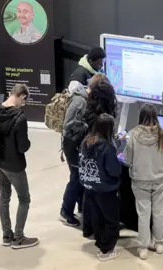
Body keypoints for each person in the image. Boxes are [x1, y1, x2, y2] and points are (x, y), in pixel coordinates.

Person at [123, 104, 163, 259]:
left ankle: (143, 247)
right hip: (161, 179)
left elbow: (127, 159)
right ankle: (160, 243)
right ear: (157, 115)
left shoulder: (133, 135)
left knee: (143, 214)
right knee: (159, 213)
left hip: (140, 180)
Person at [0, 84, 38, 249]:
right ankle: (18, 238)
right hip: (14, 165)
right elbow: (22, 147)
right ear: (22, 96)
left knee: (4, 197)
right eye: (24, 101)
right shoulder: (20, 118)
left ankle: (6, 235)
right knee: (24, 198)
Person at [59, 74, 109, 227]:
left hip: (73, 144)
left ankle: (81, 207)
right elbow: (68, 126)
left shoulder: (83, 99)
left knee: (80, 177)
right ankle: (66, 211)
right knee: (76, 178)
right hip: (71, 145)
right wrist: (87, 126)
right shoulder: (79, 101)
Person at [79, 113, 121, 262]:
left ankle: (100, 241)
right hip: (106, 189)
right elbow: (114, 170)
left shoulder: (86, 141)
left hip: (90, 186)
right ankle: (106, 250)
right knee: (111, 220)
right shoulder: (107, 147)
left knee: (97, 216)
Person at [80, 77, 118, 238]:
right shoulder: (105, 144)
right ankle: (105, 240)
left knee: (88, 199)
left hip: (88, 178)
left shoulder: (88, 114)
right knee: (105, 210)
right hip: (103, 184)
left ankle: (88, 228)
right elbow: (113, 170)